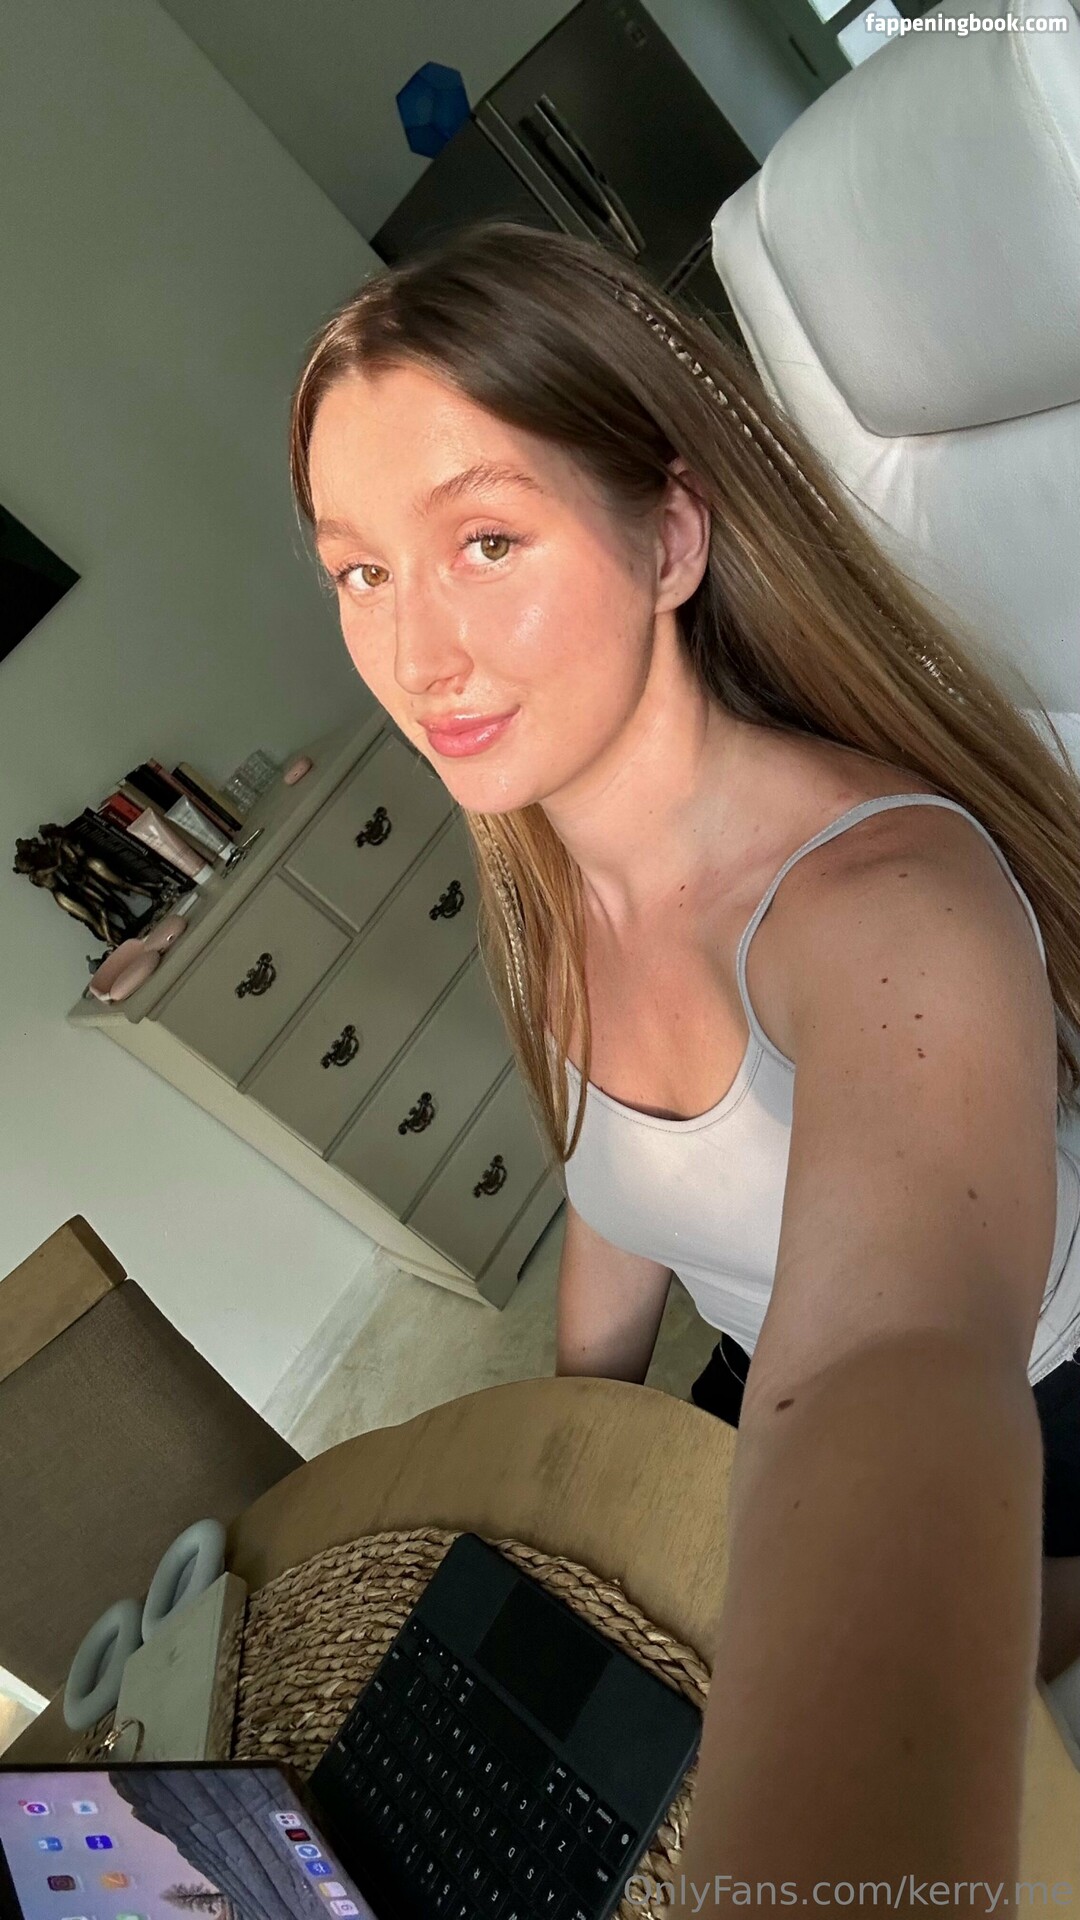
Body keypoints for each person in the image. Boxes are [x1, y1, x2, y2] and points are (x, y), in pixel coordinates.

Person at [288, 220, 1080, 1902]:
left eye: (485, 540)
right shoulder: (548, 887)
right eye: (360, 574)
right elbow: (622, 1185)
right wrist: (568, 1448)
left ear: (669, 535)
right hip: (748, 1378)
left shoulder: (881, 910)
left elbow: (888, 1370)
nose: (418, 659)